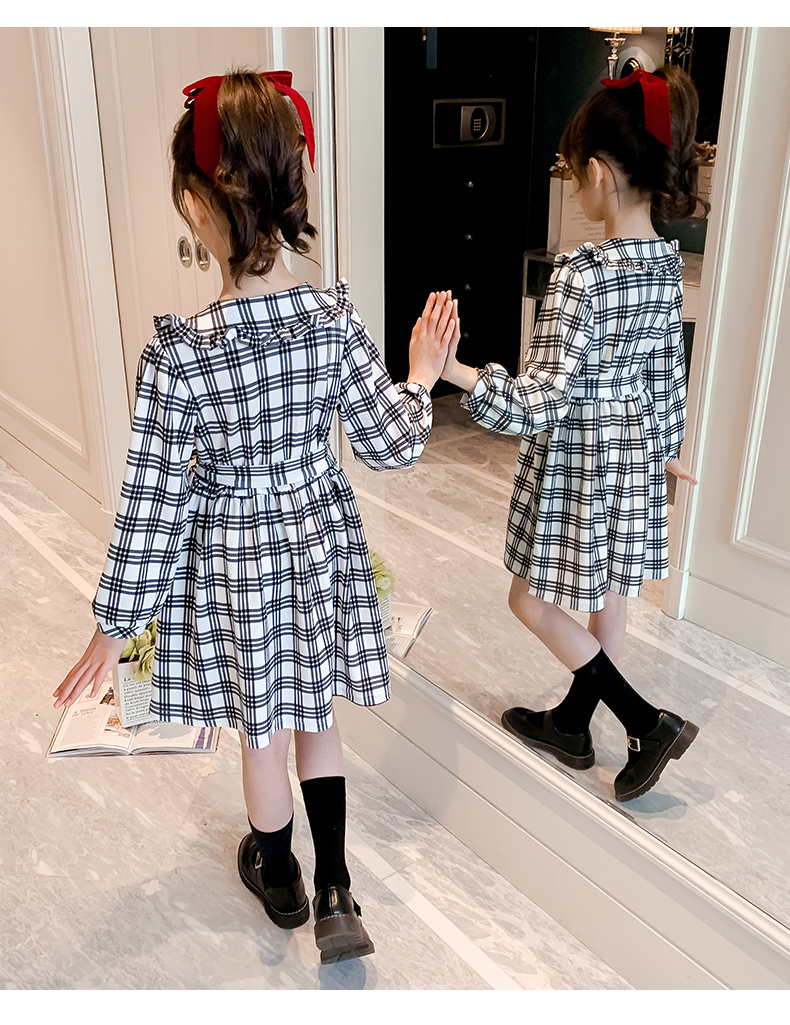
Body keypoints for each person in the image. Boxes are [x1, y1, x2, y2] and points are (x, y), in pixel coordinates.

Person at [53, 69, 458, 964]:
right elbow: (390, 442)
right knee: (320, 719)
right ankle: (338, 890)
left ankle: (280, 877)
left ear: (199, 209)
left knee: (263, 732)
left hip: (238, 561)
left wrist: (112, 628)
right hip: (318, 541)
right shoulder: (332, 318)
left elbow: (152, 505)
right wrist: (422, 375)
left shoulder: (181, 355)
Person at [440, 66, 705, 803]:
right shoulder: (665, 265)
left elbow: (543, 401)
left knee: (528, 600)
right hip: (633, 453)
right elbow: (667, 374)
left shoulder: (580, 273)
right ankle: (573, 724)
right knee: (609, 591)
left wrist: (457, 373)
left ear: (596, 174)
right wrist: (665, 451)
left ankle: (644, 721)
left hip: (581, 459)